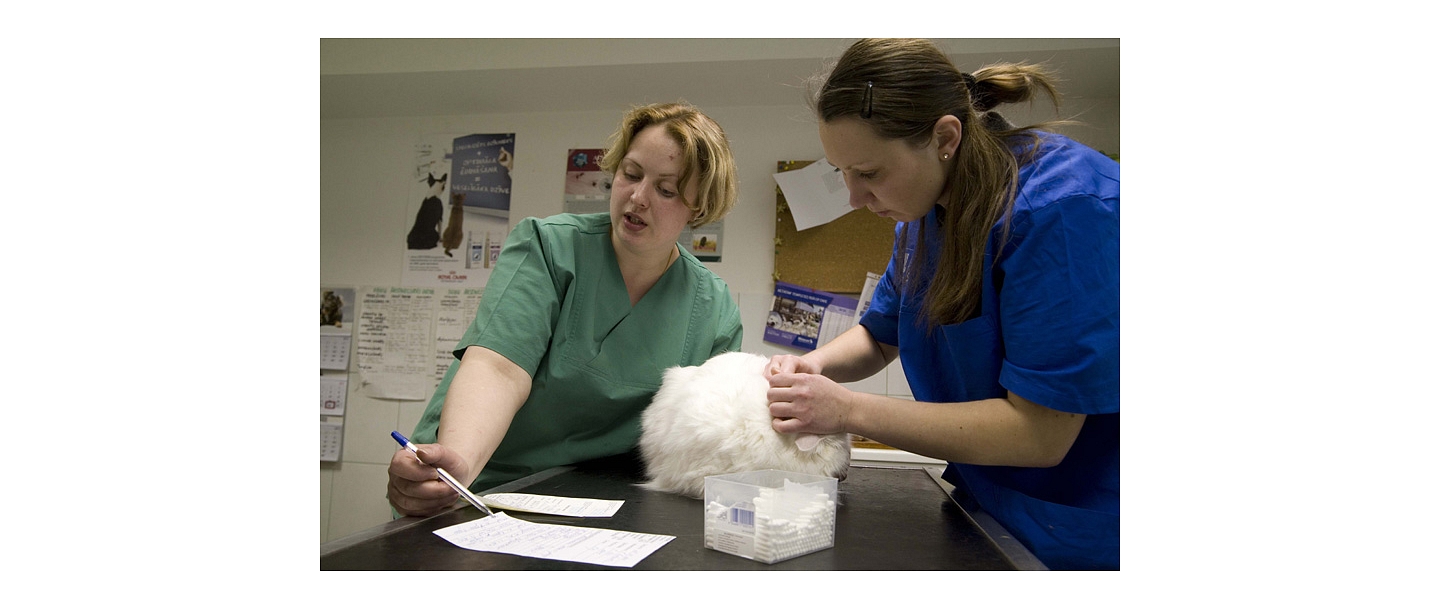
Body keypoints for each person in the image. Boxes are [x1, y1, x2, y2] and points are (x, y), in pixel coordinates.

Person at [764, 39, 1119, 570]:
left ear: (945, 137)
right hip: (990, 504)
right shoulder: (924, 212)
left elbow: (1039, 434)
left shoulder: (1062, 211)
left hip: (1078, 525)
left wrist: (845, 410)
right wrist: (811, 367)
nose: (855, 199)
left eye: (869, 173)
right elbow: (882, 333)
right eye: (841, 173)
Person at [388, 102, 743, 517]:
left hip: (596, 510)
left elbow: (708, 433)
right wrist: (456, 465)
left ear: (698, 208)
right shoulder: (550, 248)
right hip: (481, 488)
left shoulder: (714, 311)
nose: (638, 197)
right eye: (630, 174)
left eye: (666, 190)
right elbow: (499, 368)